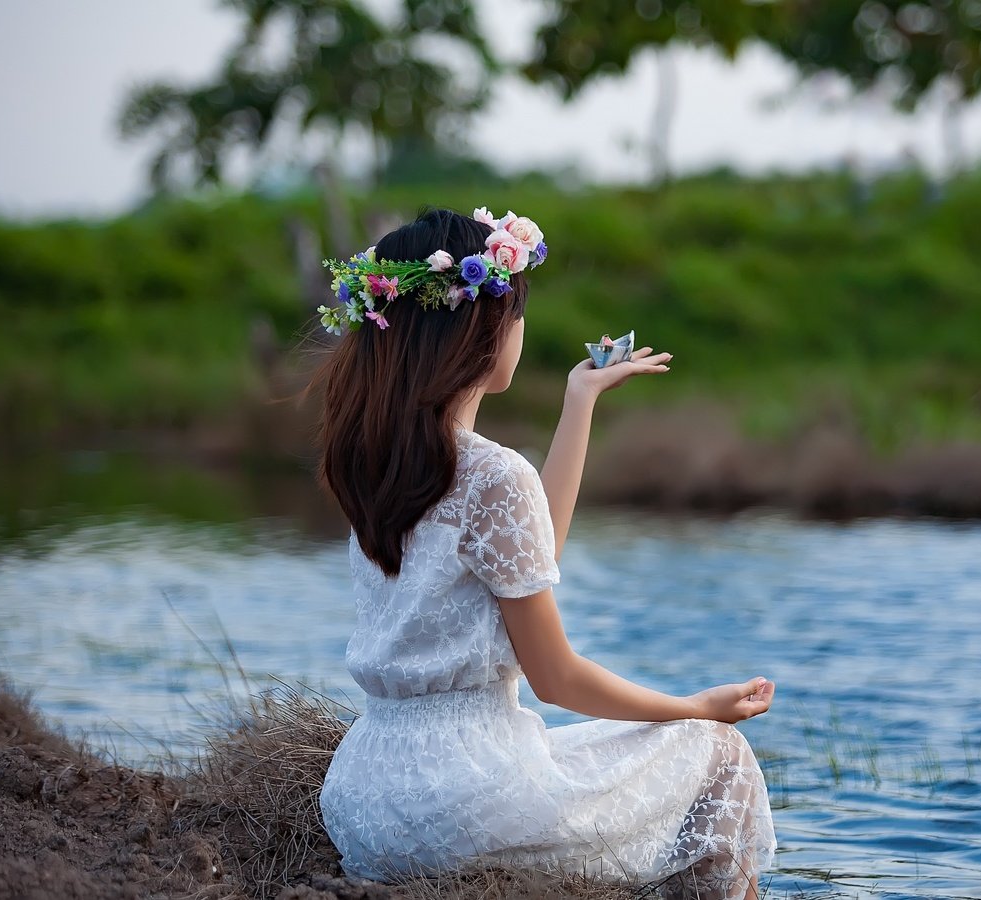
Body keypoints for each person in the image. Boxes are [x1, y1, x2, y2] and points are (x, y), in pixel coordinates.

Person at [312, 207, 778, 899]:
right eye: (516, 311)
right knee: (720, 754)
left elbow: (530, 557)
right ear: (482, 329)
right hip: (462, 800)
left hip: (367, 798)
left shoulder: (375, 463)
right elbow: (555, 678)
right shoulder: (491, 473)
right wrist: (694, 706)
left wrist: (579, 400)